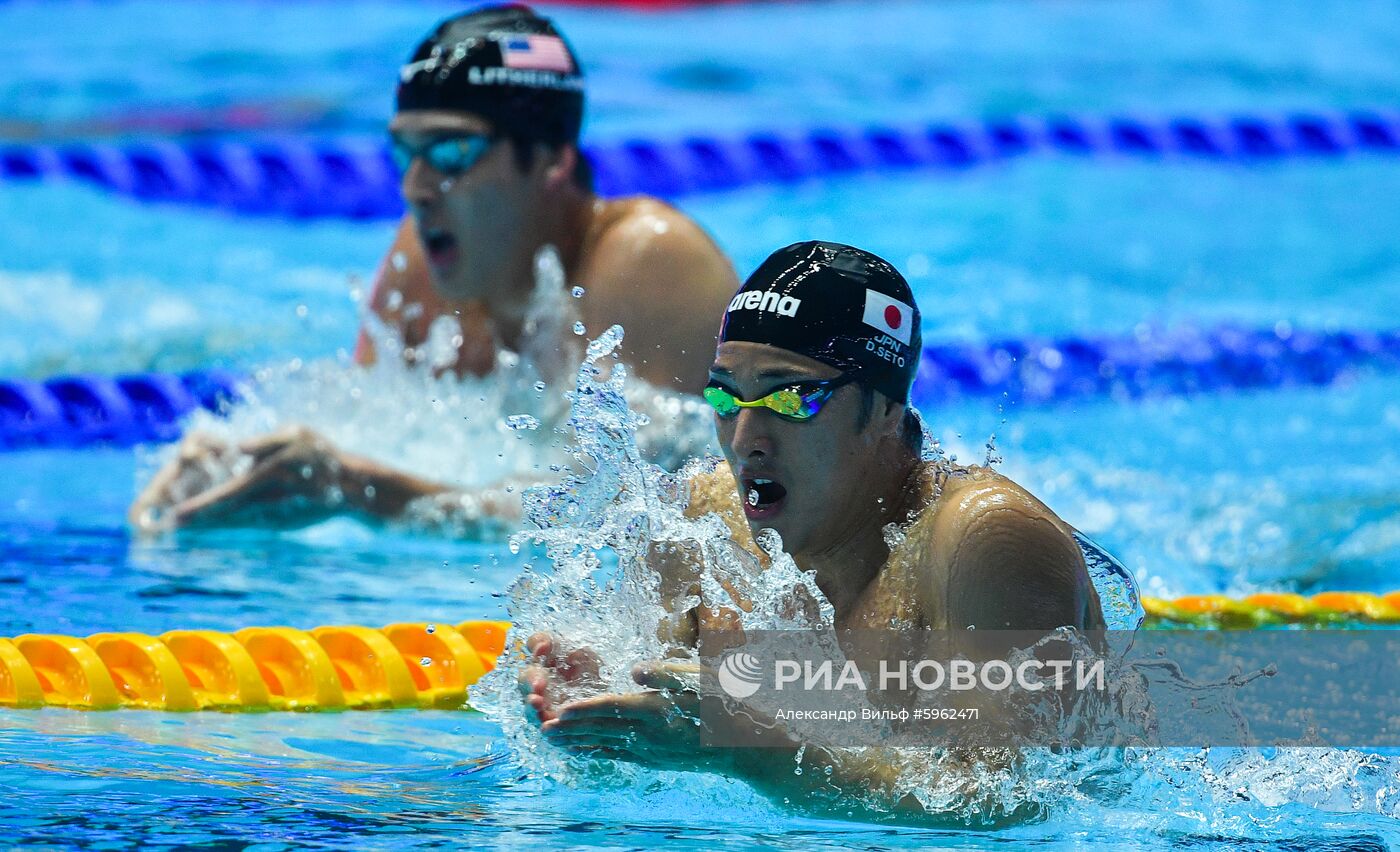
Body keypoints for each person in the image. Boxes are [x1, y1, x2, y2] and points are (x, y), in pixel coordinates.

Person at [519, 241, 1107, 823]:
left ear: (884, 409)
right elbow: (666, 749)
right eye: (725, 396)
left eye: (793, 398)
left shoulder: (983, 545)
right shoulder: (699, 526)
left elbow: (999, 804)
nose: (745, 438)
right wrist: (598, 713)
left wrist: (755, 752)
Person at [129, 5, 737, 533]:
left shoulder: (647, 266)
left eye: (450, 152)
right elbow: (367, 429)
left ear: (551, 158)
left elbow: (643, 512)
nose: (417, 188)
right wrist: (242, 463)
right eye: (405, 151)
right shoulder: (424, 259)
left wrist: (370, 488)